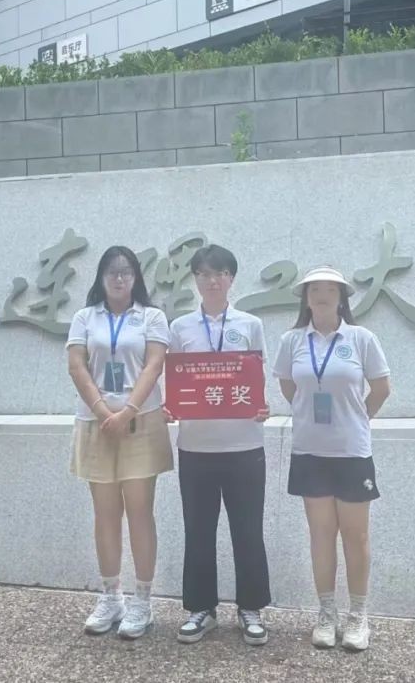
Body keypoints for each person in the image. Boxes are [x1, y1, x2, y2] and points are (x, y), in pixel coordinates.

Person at [272, 266, 391, 652]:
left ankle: (358, 615)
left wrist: (358, 417)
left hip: (352, 452)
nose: (322, 295)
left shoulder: (361, 338)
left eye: (330, 289)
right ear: (305, 298)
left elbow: (381, 387)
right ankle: (326, 613)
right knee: (321, 534)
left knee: (356, 535)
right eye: (315, 289)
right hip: (310, 451)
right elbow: (288, 385)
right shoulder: (292, 341)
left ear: (342, 297)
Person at [167, 245, 272, 646]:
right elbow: (176, 381)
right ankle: (201, 609)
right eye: (205, 274)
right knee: (198, 530)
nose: (213, 280)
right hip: (195, 447)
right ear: (195, 279)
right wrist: (171, 406)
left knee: (248, 530)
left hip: (245, 445)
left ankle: (251, 608)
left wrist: (262, 405)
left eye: (221, 273)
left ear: (231, 279)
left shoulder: (250, 324)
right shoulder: (181, 327)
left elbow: (257, 378)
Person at [66, 246, 173, 639]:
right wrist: (101, 410)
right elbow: (77, 365)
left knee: (140, 511)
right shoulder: (85, 317)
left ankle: (142, 600)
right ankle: (111, 596)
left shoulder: (152, 317)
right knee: (105, 513)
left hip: (140, 422)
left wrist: (127, 411)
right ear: (101, 276)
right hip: (96, 424)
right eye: (112, 271)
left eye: (126, 271)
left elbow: (155, 365)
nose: (119, 278)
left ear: (136, 277)